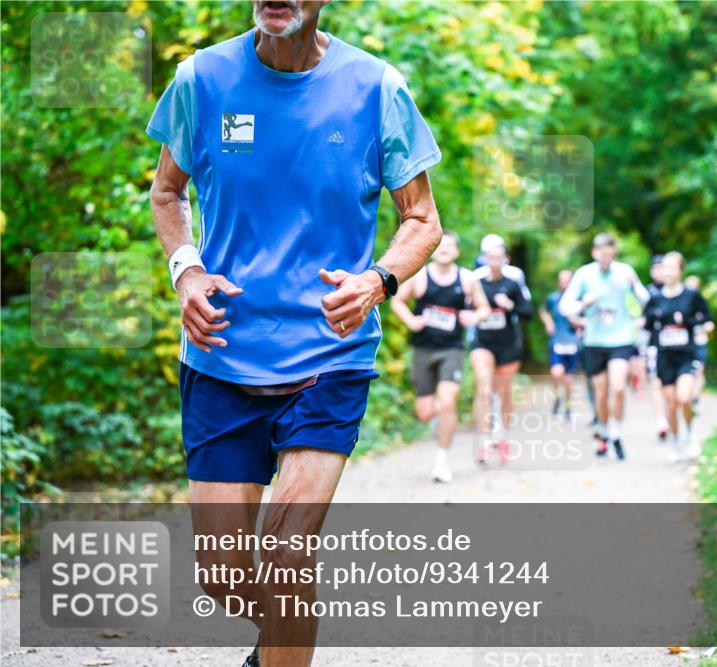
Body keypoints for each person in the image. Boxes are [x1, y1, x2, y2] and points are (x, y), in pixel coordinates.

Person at [146, 2, 441, 665]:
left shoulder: (377, 89)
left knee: (285, 553)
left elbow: (421, 218)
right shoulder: (201, 79)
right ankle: (291, 622)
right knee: (223, 573)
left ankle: (288, 622)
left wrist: (378, 281)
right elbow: (167, 192)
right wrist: (186, 271)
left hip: (328, 355)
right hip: (222, 353)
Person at [391, 231, 491, 483]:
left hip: (452, 349)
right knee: (425, 412)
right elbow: (397, 302)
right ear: (432, 249)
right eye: (440, 245)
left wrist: (475, 317)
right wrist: (411, 320)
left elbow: (484, 308)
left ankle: (441, 461)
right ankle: (438, 420)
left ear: (457, 252)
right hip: (423, 349)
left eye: (450, 246)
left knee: (448, 402)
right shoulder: (420, 277)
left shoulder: (467, 279)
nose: (445, 249)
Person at [559, 233, 649, 460]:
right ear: (594, 253)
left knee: (618, 388)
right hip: (594, 341)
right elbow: (564, 306)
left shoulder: (624, 271)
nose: (605, 258)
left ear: (614, 254)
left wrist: (633, 286)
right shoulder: (584, 274)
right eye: (601, 254)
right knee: (601, 393)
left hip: (620, 339)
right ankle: (605, 432)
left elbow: (646, 298)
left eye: (609, 254)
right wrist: (583, 304)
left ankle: (616, 432)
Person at [644, 252, 711, 461]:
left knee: (684, 397)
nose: (668, 271)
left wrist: (697, 325)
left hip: (686, 354)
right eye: (664, 267)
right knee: (671, 403)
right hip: (665, 357)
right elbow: (647, 324)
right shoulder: (654, 298)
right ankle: (675, 442)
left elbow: (707, 318)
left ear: (680, 270)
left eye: (672, 267)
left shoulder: (691, 295)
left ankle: (690, 434)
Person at [471, 243, 534, 465]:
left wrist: (510, 306)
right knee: (484, 388)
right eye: (491, 257)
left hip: (508, 343)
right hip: (483, 342)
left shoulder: (513, 283)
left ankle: (503, 437)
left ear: (505, 259)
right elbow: (465, 307)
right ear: (485, 259)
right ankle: (483, 442)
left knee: (504, 392)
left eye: (499, 257)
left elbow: (528, 312)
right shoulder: (476, 282)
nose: (495, 261)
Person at [539, 269, 580, 420]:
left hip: (573, 342)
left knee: (569, 378)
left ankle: (568, 406)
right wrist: (548, 323)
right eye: (561, 280)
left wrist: (578, 323)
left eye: (567, 280)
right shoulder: (553, 298)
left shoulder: (578, 300)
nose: (564, 283)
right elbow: (543, 310)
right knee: (556, 373)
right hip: (557, 341)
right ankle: (557, 397)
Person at [645, 255, 669, 440]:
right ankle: (661, 421)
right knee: (656, 382)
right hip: (654, 345)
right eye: (656, 268)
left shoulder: (679, 292)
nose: (659, 272)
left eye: (663, 268)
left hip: (678, 349)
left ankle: (672, 418)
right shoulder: (648, 293)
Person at [685, 274, 715, 411]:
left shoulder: (702, 304)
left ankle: (695, 398)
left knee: (698, 371)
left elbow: (710, 323)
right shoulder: (681, 304)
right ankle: (687, 396)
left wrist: (705, 327)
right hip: (685, 344)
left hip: (700, 342)